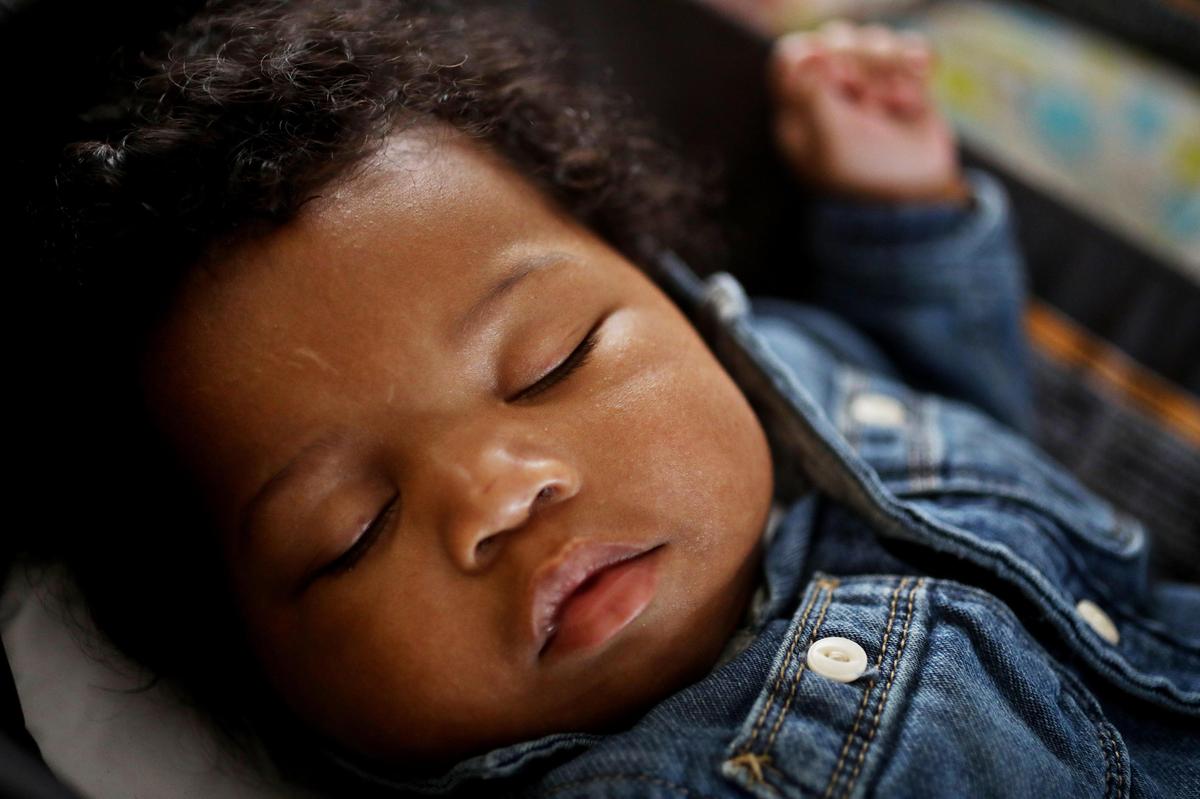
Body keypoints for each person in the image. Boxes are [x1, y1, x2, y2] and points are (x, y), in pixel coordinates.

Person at [37, 0, 1198, 796]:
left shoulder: (785, 378)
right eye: (350, 531)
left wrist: (902, 223)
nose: (499, 488)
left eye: (554, 359)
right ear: (270, 685)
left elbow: (958, 413)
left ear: (677, 298)